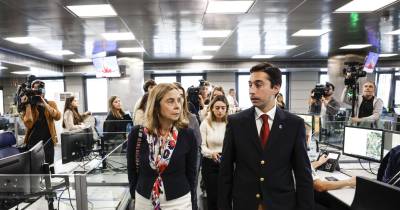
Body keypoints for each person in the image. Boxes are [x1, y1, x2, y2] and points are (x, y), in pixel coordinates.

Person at [218, 62, 314, 210]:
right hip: (245, 203)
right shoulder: (236, 122)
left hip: (281, 203)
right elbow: (225, 172)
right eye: (250, 85)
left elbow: (303, 175)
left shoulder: (294, 124)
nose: (251, 91)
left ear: (276, 88)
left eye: (258, 85)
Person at [127, 83, 198, 210]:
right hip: (144, 200)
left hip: (179, 201)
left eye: (179, 100)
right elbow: (132, 169)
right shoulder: (137, 134)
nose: (177, 106)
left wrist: (192, 200)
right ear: (156, 105)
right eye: (170, 101)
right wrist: (135, 193)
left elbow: (191, 173)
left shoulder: (187, 135)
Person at [21, 80, 61, 172]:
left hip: (48, 140)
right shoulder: (30, 106)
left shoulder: (51, 103)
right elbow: (28, 124)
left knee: (50, 166)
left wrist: (45, 104)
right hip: (33, 141)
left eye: (39, 90)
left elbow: (58, 117)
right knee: (35, 168)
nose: (37, 92)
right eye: (35, 90)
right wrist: (27, 106)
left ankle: (50, 184)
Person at [200, 95, 229, 210]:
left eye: (223, 108)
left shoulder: (230, 123)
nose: (220, 111)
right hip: (210, 162)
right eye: (217, 108)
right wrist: (211, 153)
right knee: (213, 197)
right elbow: (202, 146)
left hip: (227, 162)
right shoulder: (205, 123)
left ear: (227, 108)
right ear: (212, 108)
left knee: (226, 196)